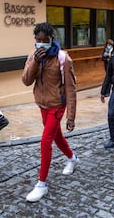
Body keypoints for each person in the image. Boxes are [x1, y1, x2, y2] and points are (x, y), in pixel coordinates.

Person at [22, 22, 79, 202]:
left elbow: (71, 88)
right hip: (42, 105)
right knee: (56, 136)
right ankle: (72, 157)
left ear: (51, 39)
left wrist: (71, 116)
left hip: (57, 105)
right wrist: (35, 62)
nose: (41, 43)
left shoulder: (63, 58)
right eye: (38, 40)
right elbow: (26, 80)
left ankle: (41, 184)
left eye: (45, 40)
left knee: (45, 140)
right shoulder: (33, 56)